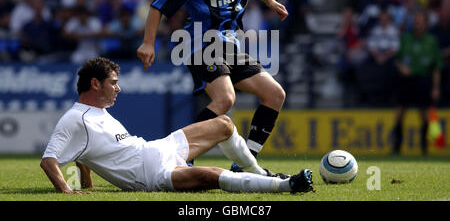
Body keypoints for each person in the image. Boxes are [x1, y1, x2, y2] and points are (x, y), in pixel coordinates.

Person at [136, 0, 289, 172]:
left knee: (275, 94)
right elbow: (158, 5)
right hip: (200, 44)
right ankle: (180, 158)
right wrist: (148, 43)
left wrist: (268, 0)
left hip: (230, 44)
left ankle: (245, 166)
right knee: (225, 100)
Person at [40, 57, 313, 194]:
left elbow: (81, 150)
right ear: (95, 84)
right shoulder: (75, 117)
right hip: (152, 174)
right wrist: (67, 191)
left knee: (224, 124)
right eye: (113, 83)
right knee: (211, 175)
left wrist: (87, 185)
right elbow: (49, 160)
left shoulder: (96, 113)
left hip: (159, 147)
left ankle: (259, 171)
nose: (118, 89)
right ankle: (286, 186)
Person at [392, 10, 443, 155]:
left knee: (424, 114)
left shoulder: (431, 41)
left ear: (426, 24)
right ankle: (396, 148)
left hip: (423, 79)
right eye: (415, 22)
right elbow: (397, 59)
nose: (417, 25)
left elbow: (436, 67)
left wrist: (435, 87)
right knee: (400, 112)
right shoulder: (406, 38)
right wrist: (402, 67)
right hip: (406, 80)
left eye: (420, 22)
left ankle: (424, 148)